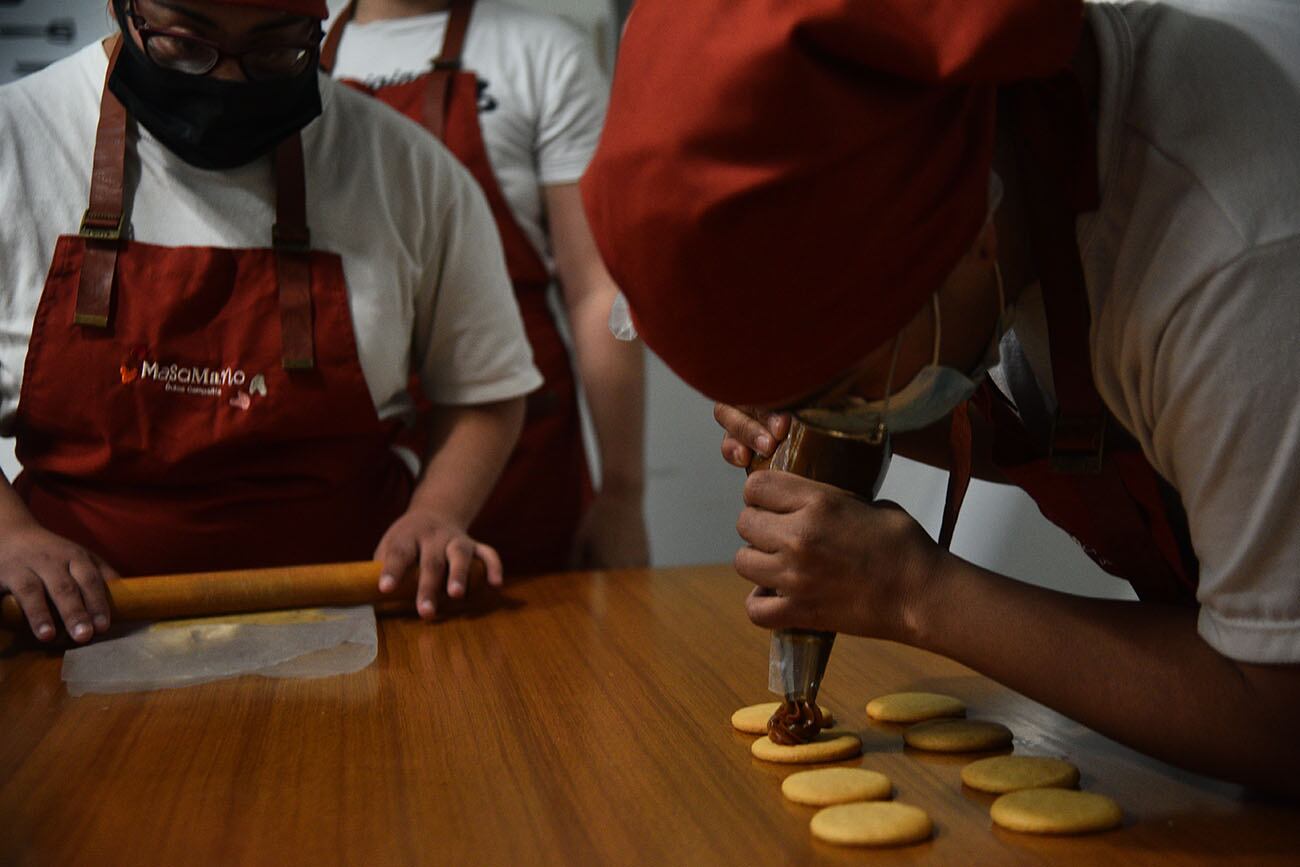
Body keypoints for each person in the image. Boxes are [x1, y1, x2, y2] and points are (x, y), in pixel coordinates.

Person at [581, 0, 1300, 794]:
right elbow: (1116, 435)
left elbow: (1278, 707)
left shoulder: (1235, 257)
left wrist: (916, 593)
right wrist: (897, 413)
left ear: (968, 236)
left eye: (844, 388)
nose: (827, 420)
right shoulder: (1020, 149)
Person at [0, 0, 541, 643]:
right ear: (120, 7)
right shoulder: (17, 141)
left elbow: (484, 391)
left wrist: (437, 514)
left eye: (274, 48)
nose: (227, 81)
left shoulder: (411, 172)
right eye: (186, 42)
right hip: (77, 628)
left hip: (355, 624)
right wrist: (10, 536)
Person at [319, 0, 648, 575]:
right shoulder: (288, 48)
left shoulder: (543, 52)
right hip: (342, 453)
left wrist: (621, 493)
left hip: (517, 451)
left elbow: (596, 290)